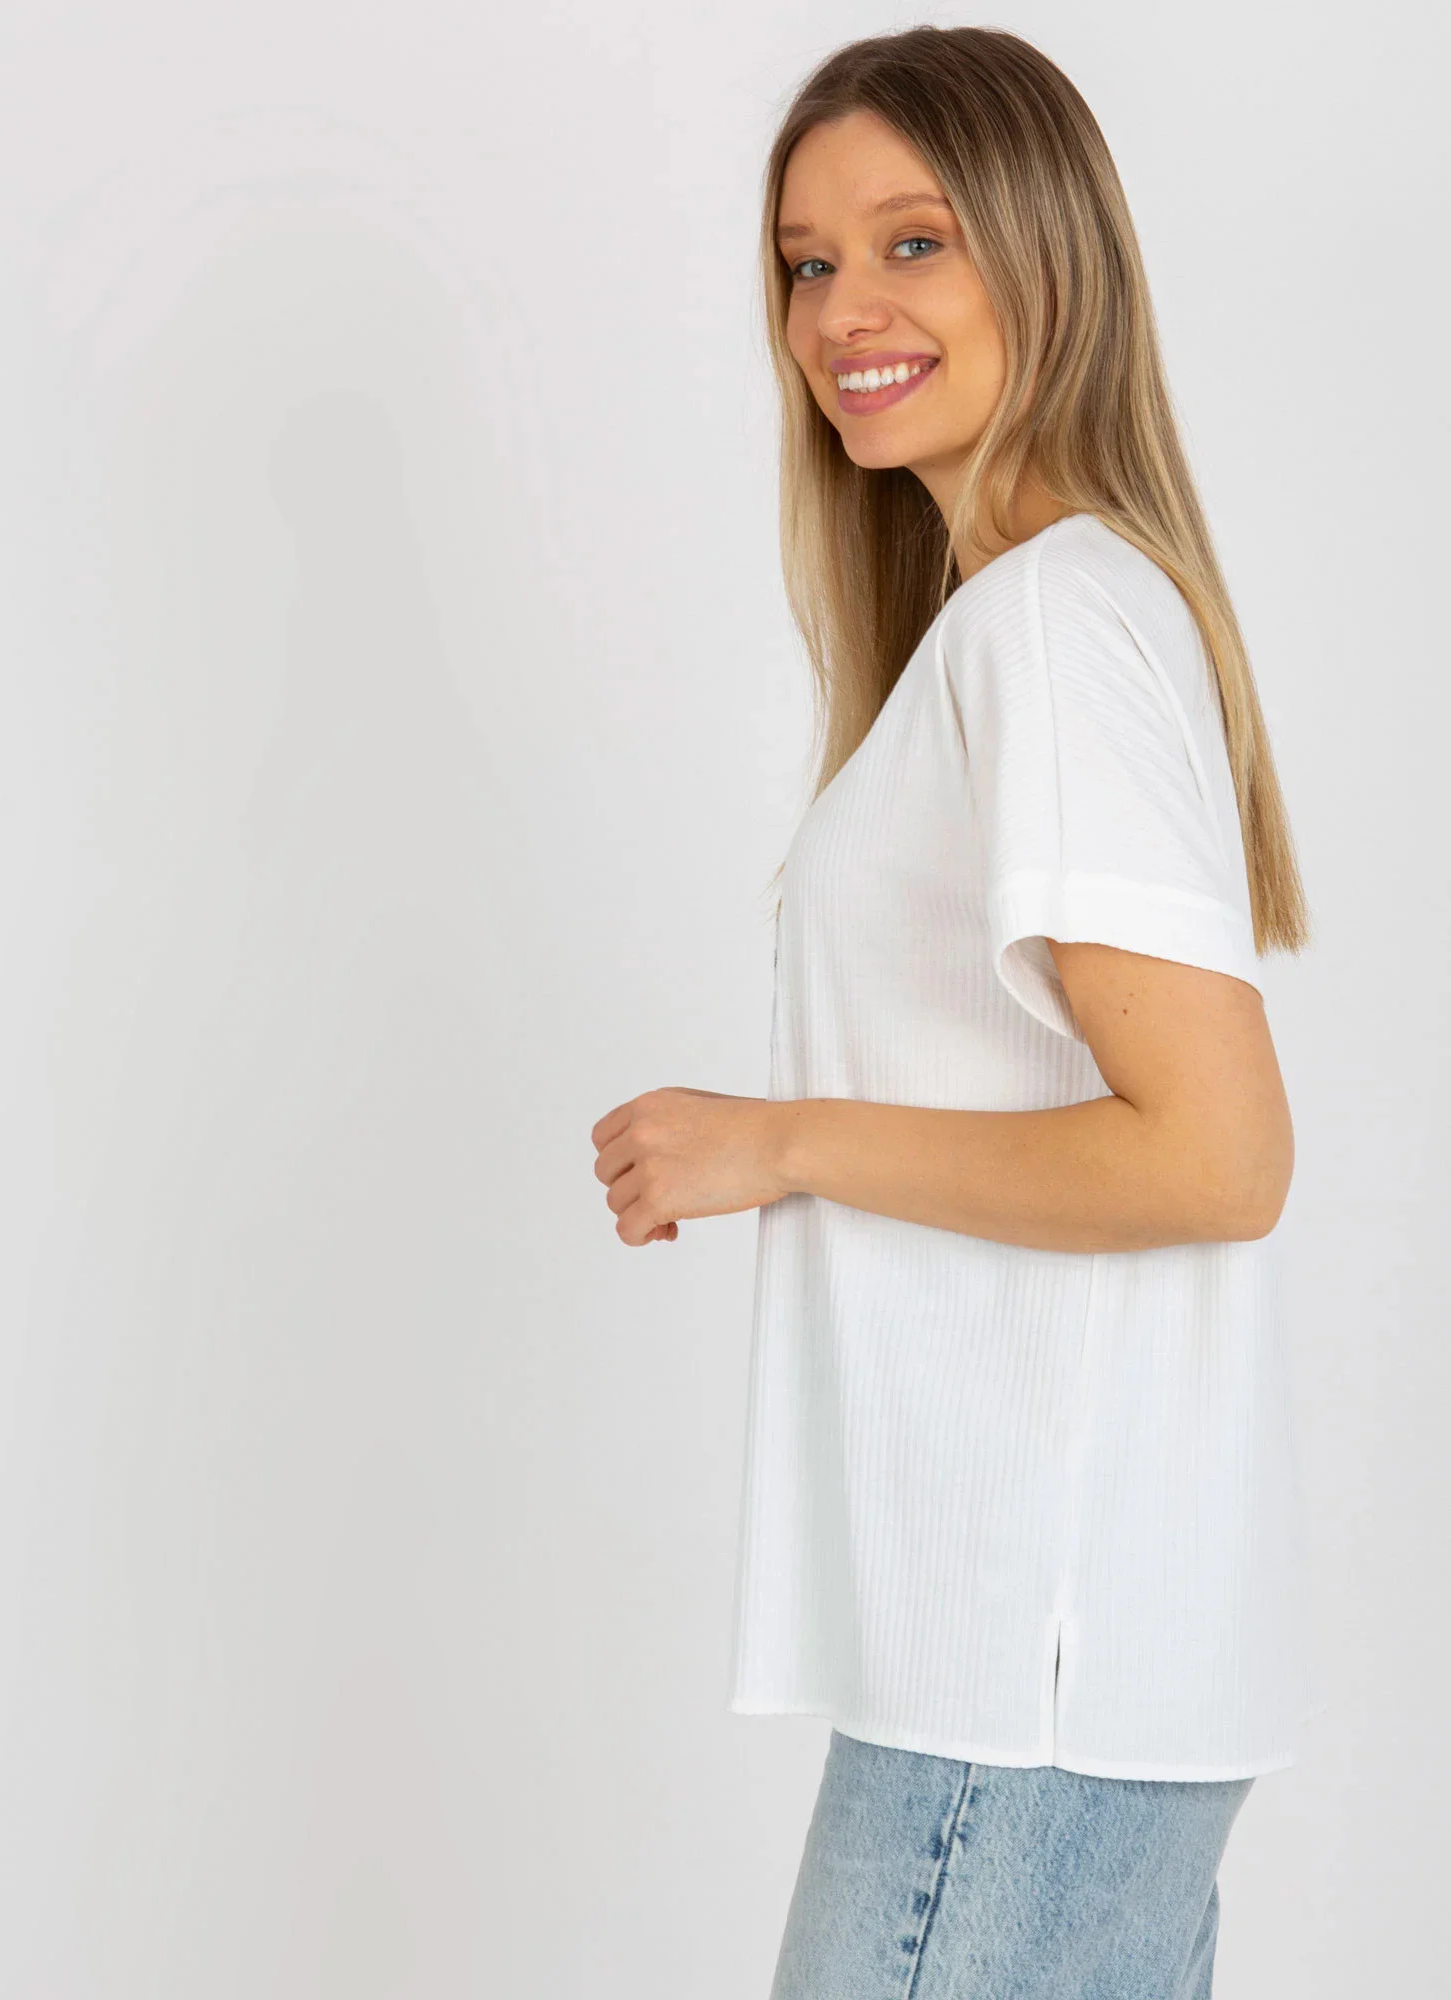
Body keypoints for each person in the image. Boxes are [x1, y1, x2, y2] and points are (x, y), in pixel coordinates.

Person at [589, 24, 1319, 1998]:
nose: (846, 310)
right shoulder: (1048, 615)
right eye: (808, 262)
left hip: (1025, 1684)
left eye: (914, 241)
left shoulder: (1053, 625)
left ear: (1050, 252)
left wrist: (782, 1141)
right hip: (1049, 1675)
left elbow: (1217, 1155)